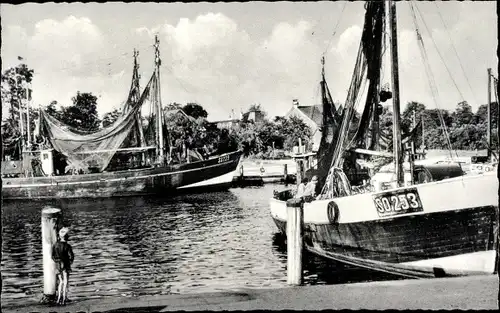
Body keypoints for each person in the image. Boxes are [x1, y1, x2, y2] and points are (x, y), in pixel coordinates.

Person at [52, 227, 74, 305]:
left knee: (60, 282)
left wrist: (57, 262)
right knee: (65, 282)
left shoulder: (55, 245)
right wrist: (69, 263)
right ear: (67, 237)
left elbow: (53, 256)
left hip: (58, 265)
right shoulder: (67, 246)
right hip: (65, 264)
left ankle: (58, 299)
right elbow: (71, 256)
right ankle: (64, 298)